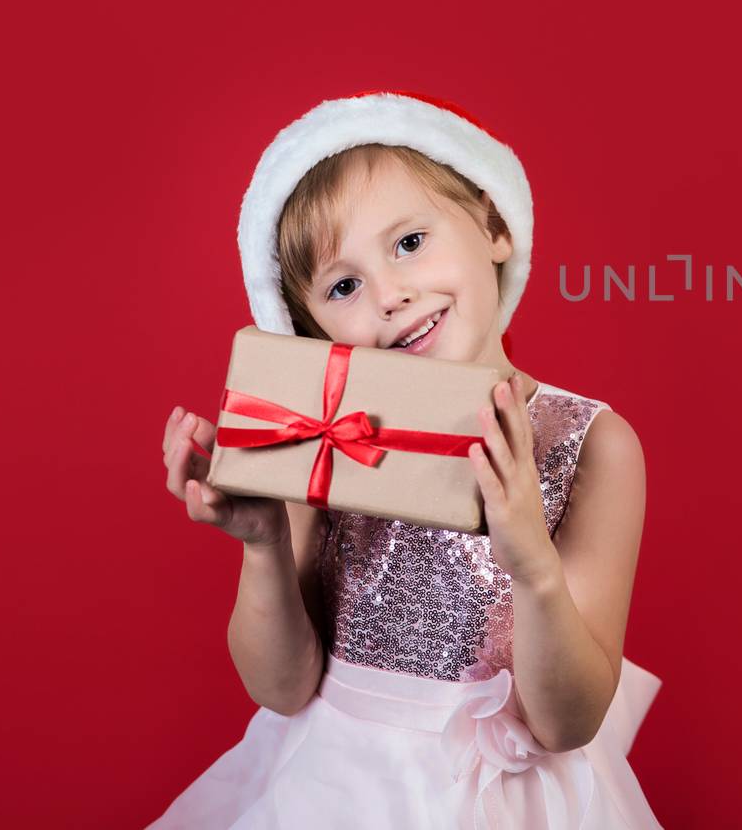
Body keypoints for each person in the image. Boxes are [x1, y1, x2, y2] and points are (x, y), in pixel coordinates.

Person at [151, 90, 664, 828]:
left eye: (410, 242)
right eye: (344, 285)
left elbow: (568, 721)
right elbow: (281, 686)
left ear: (492, 225)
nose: (389, 294)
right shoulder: (328, 437)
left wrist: (531, 564)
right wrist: (262, 543)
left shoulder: (593, 442)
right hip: (332, 793)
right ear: (313, 331)